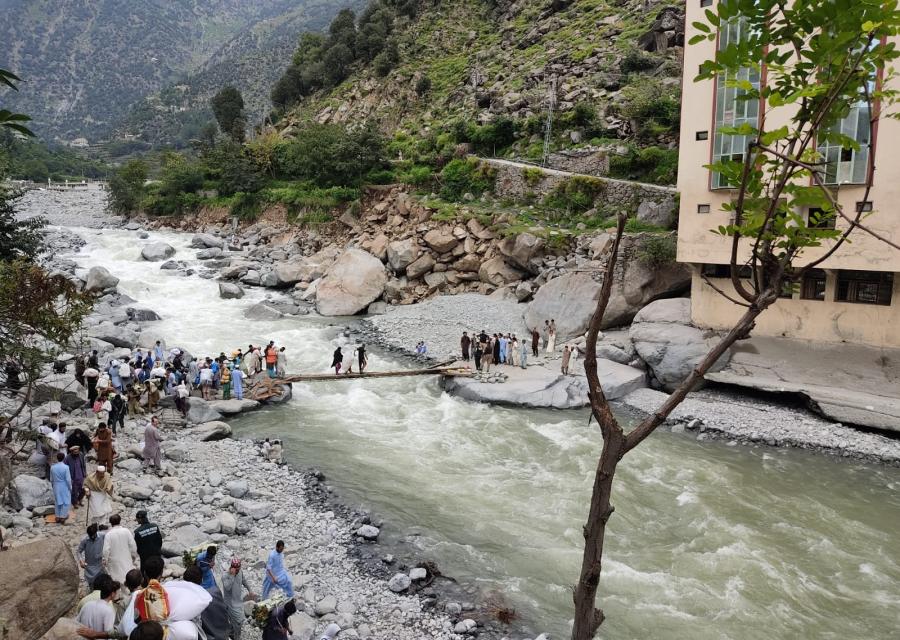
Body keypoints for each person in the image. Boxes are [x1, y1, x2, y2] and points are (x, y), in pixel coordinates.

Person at [221, 557, 255, 640]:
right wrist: (232, 576)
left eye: (239, 568)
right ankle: (236, 637)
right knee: (238, 622)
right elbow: (227, 587)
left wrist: (250, 590)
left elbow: (244, 581)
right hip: (230, 604)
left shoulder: (240, 572)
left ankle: (231, 633)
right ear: (232, 568)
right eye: (237, 569)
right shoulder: (225, 576)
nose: (238, 570)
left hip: (239, 601)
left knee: (236, 621)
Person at [103, 513, 139, 583]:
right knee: (128, 575)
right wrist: (134, 555)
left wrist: (106, 560)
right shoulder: (126, 531)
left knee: (117, 579)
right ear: (120, 521)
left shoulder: (108, 535)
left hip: (114, 561)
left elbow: (106, 550)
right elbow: (133, 545)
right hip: (126, 557)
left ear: (111, 523)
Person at [50, 452, 73, 523]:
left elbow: (51, 479)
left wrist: (53, 485)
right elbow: (68, 479)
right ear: (64, 458)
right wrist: (70, 487)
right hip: (64, 485)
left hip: (56, 485)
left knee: (57, 501)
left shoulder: (52, 467)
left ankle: (57, 516)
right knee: (65, 501)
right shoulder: (66, 467)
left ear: (57, 458)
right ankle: (63, 516)